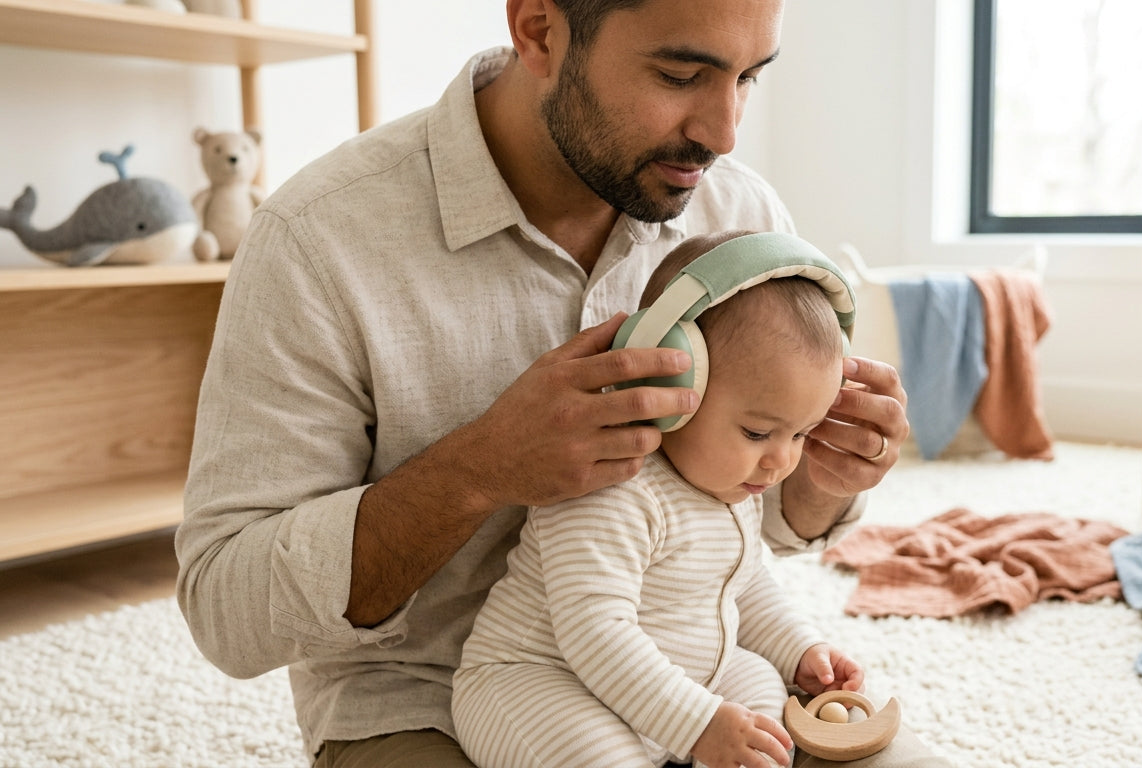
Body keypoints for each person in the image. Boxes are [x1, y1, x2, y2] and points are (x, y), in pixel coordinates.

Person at [175, 0, 943, 766]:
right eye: (681, 74)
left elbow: (732, 526)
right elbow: (225, 612)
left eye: (748, 77)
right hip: (428, 700)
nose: (724, 132)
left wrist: (822, 475)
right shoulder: (319, 237)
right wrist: (476, 470)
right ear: (539, 30)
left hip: (699, 678)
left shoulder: (738, 212)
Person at [453, 230, 864, 768]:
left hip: (678, 678)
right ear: (671, 374)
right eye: (759, 433)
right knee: (595, 754)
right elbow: (595, 632)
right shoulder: (608, 484)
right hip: (537, 682)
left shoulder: (733, 484)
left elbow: (746, 583)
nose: (781, 461)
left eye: (801, 434)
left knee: (764, 691)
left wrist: (801, 650)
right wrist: (698, 723)